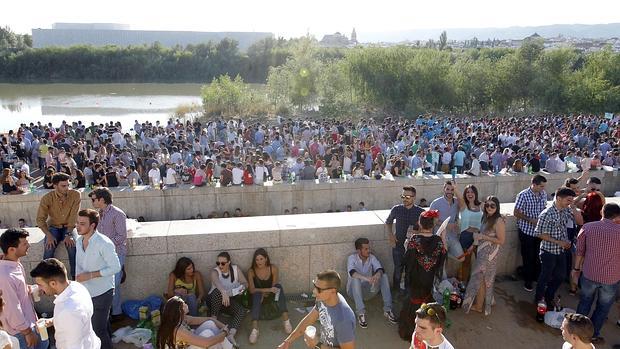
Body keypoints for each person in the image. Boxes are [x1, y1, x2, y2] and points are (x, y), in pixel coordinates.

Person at [573, 203, 620, 343]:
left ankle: (576, 332)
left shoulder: (587, 227)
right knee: (603, 308)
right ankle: (592, 335)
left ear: (601, 212)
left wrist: (575, 270)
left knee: (584, 303)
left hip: (589, 274)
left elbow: (579, 252)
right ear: (617, 216)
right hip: (611, 278)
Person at [75, 208, 121, 349]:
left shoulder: (104, 243)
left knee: (98, 330)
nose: (78, 226)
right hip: (85, 291)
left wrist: (90, 275)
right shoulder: (78, 239)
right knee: (102, 325)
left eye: (82, 224)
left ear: (93, 225)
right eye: (77, 223)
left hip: (102, 292)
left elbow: (116, 267)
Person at [29, 258, 100, 349]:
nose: (39, 288)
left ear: (53, 284)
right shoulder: (77, 287)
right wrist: (51, 321)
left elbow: (74, 346)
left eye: (40, 285)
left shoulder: (69, 311)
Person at [399, 210, 447, 341]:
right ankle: (427, 329)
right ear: (433, 224)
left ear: (420, 223)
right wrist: (443, 236)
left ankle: (411, 331)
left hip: (415, 277)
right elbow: (443, 255)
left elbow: (407, 260)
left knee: (413, 300)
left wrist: (406, 245)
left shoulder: (415, 239)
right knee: (426, 299)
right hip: (429, 277)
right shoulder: (438, 240)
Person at [276, 270, 355, 349]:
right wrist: (288, 341)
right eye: (314, 286)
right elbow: (309, 319)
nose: (314, 291)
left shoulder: (343, 320)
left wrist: (317, 344)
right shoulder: (322, 300)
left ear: (332, 291)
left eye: (319, 289)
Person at [0, 228, 48, 349]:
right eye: (25, 244)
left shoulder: (16, 264)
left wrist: (37, 288)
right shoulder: (4, 276)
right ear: (11, 249)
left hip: (31, 323)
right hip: (20, 332)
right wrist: (27, 332)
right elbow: (12, 309)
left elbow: (21, 290)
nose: (29, 245)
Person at [534, 188, 582, 309]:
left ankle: (549, 297)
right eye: (568, 200)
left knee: (560, 276)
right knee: (545, 276)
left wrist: (574, 208)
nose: (570, 202)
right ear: (559, 198)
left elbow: (580, 221)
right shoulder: (547, 213)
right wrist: (559, 242)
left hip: (560, 251)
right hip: (548, 251)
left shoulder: (566, 210)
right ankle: (539, 299)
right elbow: (539, 233)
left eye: (571, 200)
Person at [88, 187, 127, 321]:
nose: (92, 201)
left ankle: (116, 313)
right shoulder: (99, 214)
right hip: (102, 255)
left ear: (102, 200)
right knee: (106, 284)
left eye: (94, 199)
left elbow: (121, 236)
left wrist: (105, 245)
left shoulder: (117, 214)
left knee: (114, 284)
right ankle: (111, 313)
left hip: (116, 254)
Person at [462, 196, 506, 315]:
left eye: (493, 206)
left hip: (489, 255)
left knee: (480, 280)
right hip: (482, 252)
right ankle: (489, 301)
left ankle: (479, 306)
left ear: (497, 207)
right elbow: (480, 234)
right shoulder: (486, 217)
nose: (489, 208)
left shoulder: (498, 220)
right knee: (485, 279)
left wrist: (484, 237)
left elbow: (501, 241)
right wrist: (473, 245)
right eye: (487, 205)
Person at [36, 172, 79, 280]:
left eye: (68, 185)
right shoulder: (47, 198)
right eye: (63, 186)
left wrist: (69, 234)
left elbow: (74, 216)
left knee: (73, 247)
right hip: (54, 227)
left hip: (69, 227)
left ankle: (75, 277)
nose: (67, 188)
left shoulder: (75, 194)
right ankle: (46, 277)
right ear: (55, 186)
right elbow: (40, 219)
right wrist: (48, 235)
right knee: (48, 248)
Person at [346, 238, 397, 329]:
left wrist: (377, 275)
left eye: (369, 248)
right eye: (366, 249)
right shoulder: (352, 258)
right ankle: (361, 313)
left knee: (383, 276)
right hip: (353, 293)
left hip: (369, 291)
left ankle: (388, 310)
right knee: (355, 279)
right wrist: (366, 278)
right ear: (358, 250)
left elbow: (380, 269)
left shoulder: (372, 257)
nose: (369, 251)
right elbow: (352, 273)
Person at [246, 248, 292, 344]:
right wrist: (265, 291)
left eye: (261, 259)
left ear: (266, 258)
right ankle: (255, 330)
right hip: (257, 299)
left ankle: (286, 320)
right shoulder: (251, 271)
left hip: (270, 296)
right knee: (257, 294)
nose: (259, 262)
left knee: (279, 287)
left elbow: (274, 287)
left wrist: (269, 291)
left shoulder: (273, 268)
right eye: (257, 260)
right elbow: (252, 290)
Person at [385, 186, 425, 293]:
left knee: (410, 272)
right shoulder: (396, 209)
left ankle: (408, 295)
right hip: (398, 245)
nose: (404, 199)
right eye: (403, 196)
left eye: (407, 196)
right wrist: (391, 236)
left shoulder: (421, 212)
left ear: (414, 197)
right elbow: (388, 222)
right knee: (398, 270)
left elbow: (426, 230)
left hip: (413, 248)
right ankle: (395, 293)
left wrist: (416, 232)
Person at [157, 296, 233, 349]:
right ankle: (226, 346)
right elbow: (206, 343)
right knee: (208, 334)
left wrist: (225, 328)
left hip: (187, 344)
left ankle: (228, 346)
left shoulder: (182, 318)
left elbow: (209, 319)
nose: (186, 305)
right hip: (186, 346)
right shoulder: (177, 329)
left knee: (210, 324)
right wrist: (224, 333)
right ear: (179, 310)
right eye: (184, 305)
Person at [514, 174, 548, 292]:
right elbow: (516, 212)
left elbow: (544, 207)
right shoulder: (523, 195)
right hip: (526, 231)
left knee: (538, 257)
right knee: (528, 257)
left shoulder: (543, 194)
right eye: (541, 186)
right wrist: (530, 220)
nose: (543, 189)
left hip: (539, 232)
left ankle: (536, 278)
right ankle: (528, 281)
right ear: (534, 185)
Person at [206, 252, 248, 346]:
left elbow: (245, 283)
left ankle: (231, 334)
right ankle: (214, 321)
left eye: (223, 263)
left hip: (228, 301)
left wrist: (239, 289)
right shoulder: (215, 271)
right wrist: (223, 292)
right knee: (218, 292)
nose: (220, 265)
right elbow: (216, 282)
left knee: (241, 311)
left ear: (229, 262)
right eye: (218, 263)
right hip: (213, 300)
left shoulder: (236, 269)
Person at [453, 184, 483, 281]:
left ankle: (477, 285)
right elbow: (458, 196)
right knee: (466, 262)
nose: (470, 194)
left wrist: (501, 217)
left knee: (480, 262)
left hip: (478, 236)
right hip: (466, 237)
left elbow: (492, 213)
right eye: (467, 192)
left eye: (472, 192)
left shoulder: (481, 205)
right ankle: (464, 284)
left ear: (475, 193)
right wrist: (455, 188)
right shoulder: (463, 205)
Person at [430, 181, 461, 261]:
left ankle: (446, 255)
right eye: (447, 189)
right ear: (444, 189)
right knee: (441, 262)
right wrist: (446, 225)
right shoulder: (435, 203)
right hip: (439, 236)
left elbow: (457, 216)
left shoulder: (457, 202)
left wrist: (456, 224)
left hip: (453, 236)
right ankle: (443, 258)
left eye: (452, 189)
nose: (450, 192)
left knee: (461, 258)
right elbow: (431, 220)